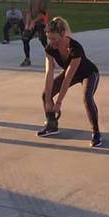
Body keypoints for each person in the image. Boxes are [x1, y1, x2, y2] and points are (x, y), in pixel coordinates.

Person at [38, 17, 102, 147]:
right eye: (49, 38)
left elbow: (68, 77)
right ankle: (51, 125)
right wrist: (50, 101)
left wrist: (59, 102)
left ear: (62, 34)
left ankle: (96, 132)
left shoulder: (75, 48)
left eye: (54, 39)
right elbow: (49, 73)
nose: (52, 42)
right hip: (70, 72)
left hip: (88, 74)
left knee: (87, 97)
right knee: (46, 95)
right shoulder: (49, 48)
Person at [20, 0, 50, 67]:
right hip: (32, 22)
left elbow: (42, 13)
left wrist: (33, 22)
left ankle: (51, 59)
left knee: (43, 41)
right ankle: (27, 59)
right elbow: (29, 12)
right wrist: (27, 25)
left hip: (41, 22)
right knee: (25, 39)